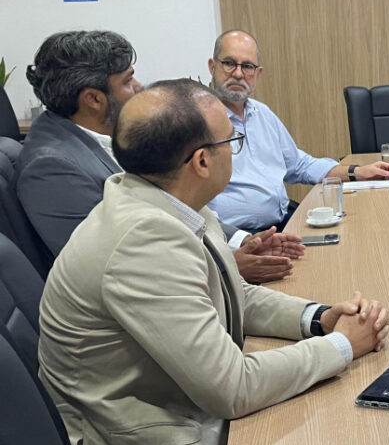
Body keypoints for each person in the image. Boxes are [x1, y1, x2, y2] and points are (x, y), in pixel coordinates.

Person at [37, 79, 389, 445]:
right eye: (232, 141)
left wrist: (319, 318)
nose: (236, 152)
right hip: (136, 431)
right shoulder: (143, 242)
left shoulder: (166, 198)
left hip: (176, 401)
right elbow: (231, 388)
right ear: (202, 161)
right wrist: (343, 345)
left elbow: (231, 291)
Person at [17, 31, 301, 283]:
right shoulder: (51, 168)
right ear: (93, 99)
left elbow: (176, 207)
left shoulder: (109, 133)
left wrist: (243, 240)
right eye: (128, 80)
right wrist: (227, 267)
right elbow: (118, 267)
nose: (139, 87)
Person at [205, 30, 389, 231]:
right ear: (212, 66)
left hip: (281, 222)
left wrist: (357, 172)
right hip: (236, 236)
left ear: (258, 73)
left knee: (358, 228)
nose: (238, 73)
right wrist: (238, 242)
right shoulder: (199, 122)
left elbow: (300, 165)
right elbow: (190, 208)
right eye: (229, 63)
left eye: (247, 66)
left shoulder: (262, 114)